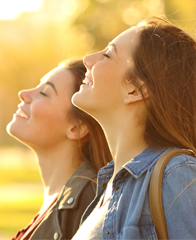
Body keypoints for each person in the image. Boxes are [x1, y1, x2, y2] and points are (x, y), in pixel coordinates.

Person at [71, 16, 196, 239]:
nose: (88, 59)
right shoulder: (106, 187)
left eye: (108, 54)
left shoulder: (176, 175)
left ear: (135, 89)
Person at [7, 59, 112, 240]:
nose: (23, 93)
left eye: (44, 93)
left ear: (76, 128)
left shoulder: (88, 200)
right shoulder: (65, 200)